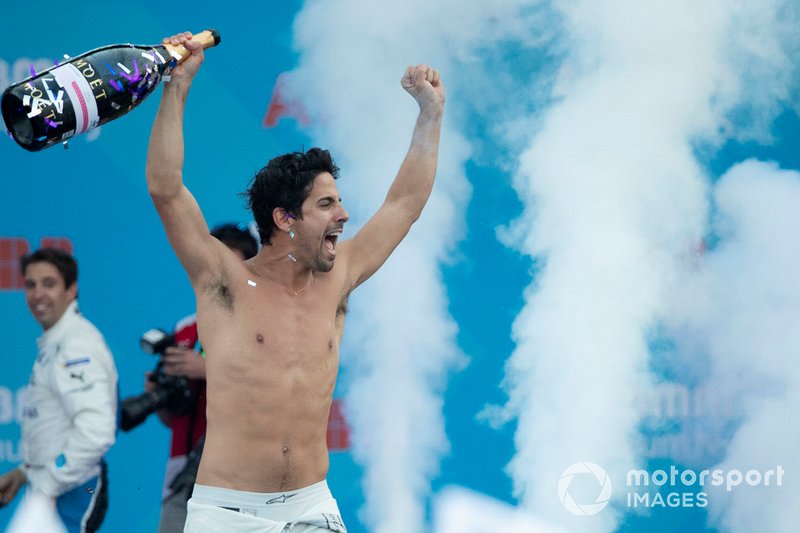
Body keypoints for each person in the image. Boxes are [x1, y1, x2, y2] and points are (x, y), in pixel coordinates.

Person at [146, 31, 444, 532]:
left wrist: (430, 115)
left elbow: (403, 205)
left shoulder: (340, 276)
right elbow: (166, 189)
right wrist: (176, 89)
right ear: (285, 219)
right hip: (225, 514)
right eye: (327, 205)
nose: (345, 216)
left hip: (312, 508)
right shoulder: (224, 280)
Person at [0, 248, 118, 533]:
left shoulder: (76, 345)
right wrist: (25, 473)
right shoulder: (57, 341)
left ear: (71, 289)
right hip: (55, 489)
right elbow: (55, 428)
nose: (38, 294)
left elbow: (96, 433)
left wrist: (48, 482)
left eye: (49, 284)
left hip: (74, 491)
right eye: (31, 285)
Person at [151, 223, 258, 533]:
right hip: (180, 477)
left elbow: (269, 389)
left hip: (237, 480)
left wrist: (204, 369)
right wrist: (161, 397)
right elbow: (173, 418)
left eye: (231, 265)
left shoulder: (260, 326)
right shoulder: (185, 328)